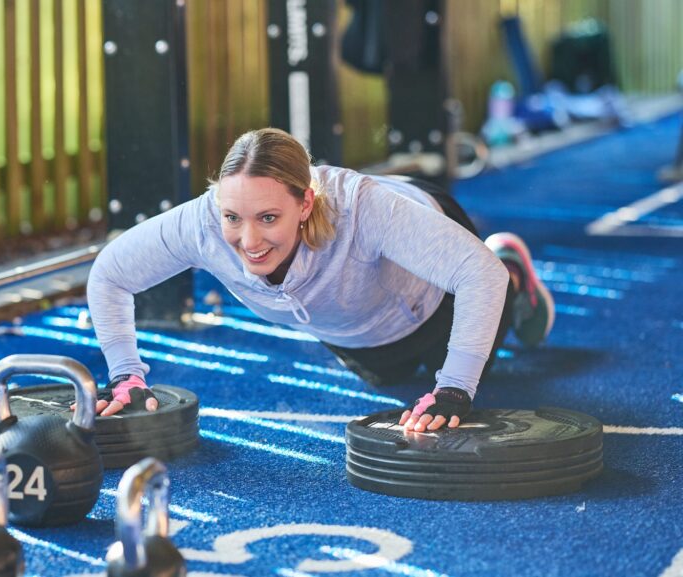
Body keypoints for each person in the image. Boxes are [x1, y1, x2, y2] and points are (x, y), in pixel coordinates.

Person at [86, 128, 554, 432]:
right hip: (356, 320)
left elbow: (477, 275)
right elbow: (109, 274)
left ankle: (512, 269)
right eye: (233, 217)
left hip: (432, 282)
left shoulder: (362, 209)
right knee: (387, 376)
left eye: (268, 217)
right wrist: (126, 373)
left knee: (471, 344)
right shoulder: (200, 225)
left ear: (305, 204)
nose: (249, 240)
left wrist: (454, 386)